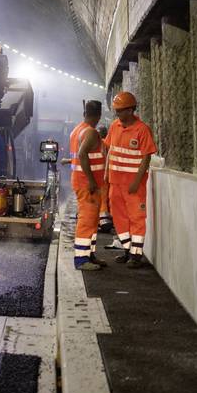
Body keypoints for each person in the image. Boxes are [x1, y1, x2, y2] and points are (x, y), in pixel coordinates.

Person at [104, 91, 157, 268]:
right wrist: (106, 175)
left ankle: (136, 255)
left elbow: (146, 157)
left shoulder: (142, 129)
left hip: (134, 185)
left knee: (136, 218)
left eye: (120, 110)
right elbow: (109, 150)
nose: (117, 114)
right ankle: (127, 250)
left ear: (130, 110)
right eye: (116, 110)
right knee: (119, 218)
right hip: (115, 183)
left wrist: (136, 181)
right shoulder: (114, 127)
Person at [69, 100, 107, 271]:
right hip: (88, 184)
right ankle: (81, 260)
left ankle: (89, 255)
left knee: (92, 220)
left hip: (81, 181)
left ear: (85, 113)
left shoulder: (77, 130)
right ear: (98, 116)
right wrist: (92, 181)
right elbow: (82, 154)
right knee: (87, 220)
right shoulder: (90, 133)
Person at [96, 125, 113, 233]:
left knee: (101, 201)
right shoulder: (108, 145)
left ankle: (103, 222)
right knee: (107, 200)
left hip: (99, 176)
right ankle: (108, 220)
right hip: (108, 176)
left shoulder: (98, 145)